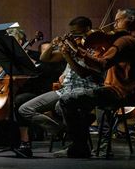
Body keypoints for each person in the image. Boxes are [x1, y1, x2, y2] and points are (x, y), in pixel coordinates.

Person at [56, 8, 135, 158]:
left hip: (122, 91)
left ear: (130, 20)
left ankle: (79, 147)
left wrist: (78, 51)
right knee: (91, 100)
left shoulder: (125, 41)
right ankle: (101, 148)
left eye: (117, 20)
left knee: (66, 100)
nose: (114, 24)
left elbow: (102, 65)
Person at [18, 16, 102, 157]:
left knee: (62, 106)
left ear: (87, 30)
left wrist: (68, 54)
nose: (73, 36)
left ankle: (75, 142)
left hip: (85, 89)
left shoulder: (95, 48)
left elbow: (82, 73)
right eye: (71, 33)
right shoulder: (73, 46)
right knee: (25, 109)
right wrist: (53, 44)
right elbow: (44, 58)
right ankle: (63, 130)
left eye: (76, 33)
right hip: (65, 90)